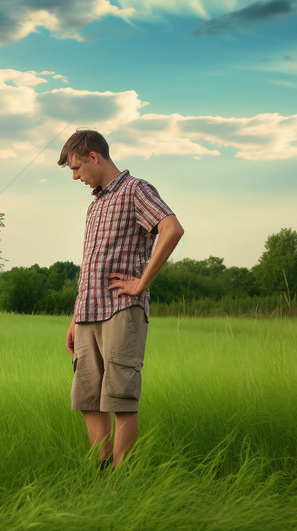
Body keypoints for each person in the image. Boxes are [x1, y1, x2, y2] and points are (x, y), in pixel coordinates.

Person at [58, 130, 184, 470]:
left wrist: (142, 283)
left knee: (121, 399)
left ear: (94, 156)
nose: (75, 177)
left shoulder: (135, 190)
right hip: (87, 312)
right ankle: (101, 472)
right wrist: (74, 319)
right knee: (87, 398)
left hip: (121, 310)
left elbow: (172, 228)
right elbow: (89, 266)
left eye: (77, 167)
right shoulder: (95, 205)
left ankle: (120, 479)